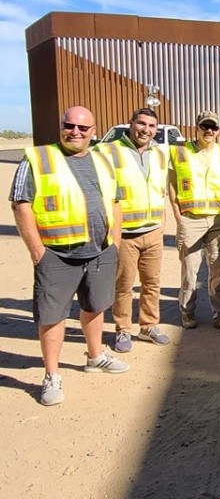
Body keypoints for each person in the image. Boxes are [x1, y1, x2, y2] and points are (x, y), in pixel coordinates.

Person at [9, 106, 130, 407]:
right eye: (69, 125)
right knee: (52, 316)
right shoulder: (37, 159)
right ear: (61, 125)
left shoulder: (102, 160)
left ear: (93, 131)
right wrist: (38, 252)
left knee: (95, 306)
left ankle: (95, 356)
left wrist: (114, 240)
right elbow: (20, 204)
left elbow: (114, 200)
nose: (75, 132)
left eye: (82, 128)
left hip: (99, 251)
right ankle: (52, 374)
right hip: (56, 255)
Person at [95, 108, 171, 352]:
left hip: (153, 231)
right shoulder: (108, 151)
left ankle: (149, 325)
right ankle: (123, 329)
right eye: (141, 124)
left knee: (152, 283)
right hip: (125, 232)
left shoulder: (160, 153)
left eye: (151, 126)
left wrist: (163, 222)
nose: (145, 130)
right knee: (124, 285)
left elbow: (161, 189)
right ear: (131, 124)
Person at [169, 110, 220, 333]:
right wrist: (177, 214)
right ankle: (187, 311)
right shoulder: (180, 152)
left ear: (218, 130)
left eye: (213, 127)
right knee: (190, 270)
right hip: (191, 219)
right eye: (204, 126)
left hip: (218, 219)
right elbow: (171, 184)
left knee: (218, 269)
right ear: (196, 128)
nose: (209, 131)